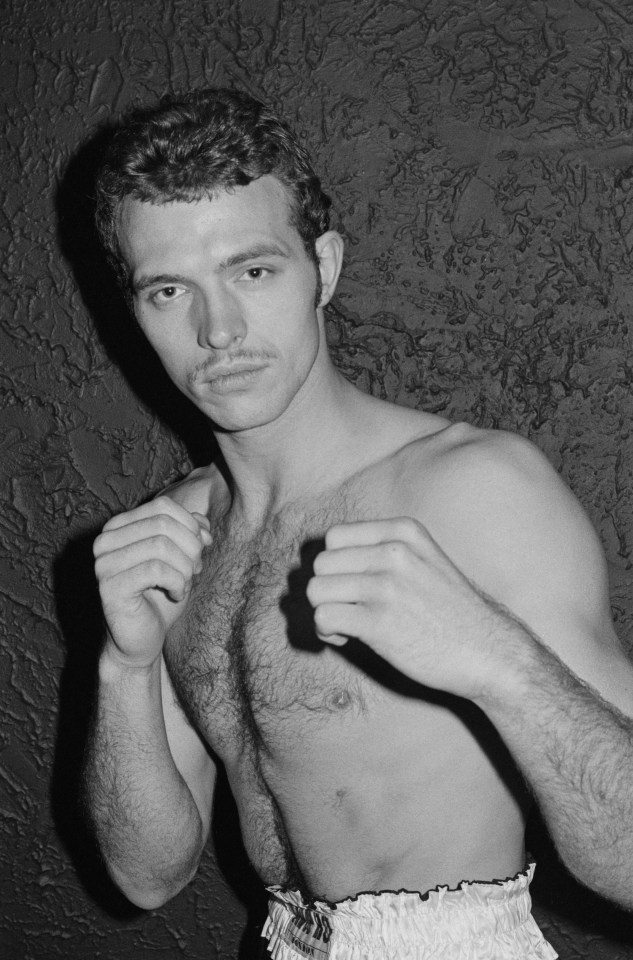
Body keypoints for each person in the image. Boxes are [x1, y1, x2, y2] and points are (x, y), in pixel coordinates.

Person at [85, 87, 633, 960]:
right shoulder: (171, 536)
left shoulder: (471, 490)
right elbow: (146, 875)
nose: (217, 329)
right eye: (167, 291)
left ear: (325, 269)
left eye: (251, 271)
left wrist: (501, 665)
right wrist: (124, 665)